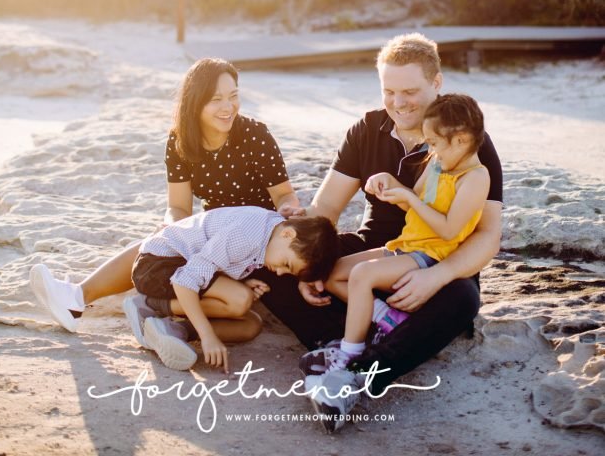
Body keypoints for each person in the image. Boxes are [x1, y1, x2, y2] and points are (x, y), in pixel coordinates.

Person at [256, 33, 503, 399]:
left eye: (409, 92)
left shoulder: (466, 144)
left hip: (437, 258)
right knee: (270, 265)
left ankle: (364, 372)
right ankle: (341, 343)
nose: (398, 103)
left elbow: (488, 235)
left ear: (436, 83)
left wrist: (437, 277)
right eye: (389, 91)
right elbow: (325, 210)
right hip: (379, 247)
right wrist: (306, 257)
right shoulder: (366, 130)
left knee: (462, 300)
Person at [30, 58, 301, 345]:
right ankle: (76, 299)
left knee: (245, 314)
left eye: (234, 96)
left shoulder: (255, 135)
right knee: (161, 240)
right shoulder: (180, 140)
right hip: (212, 235)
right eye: (217, 99)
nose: (228, 107)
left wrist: (288, 207)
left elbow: (283, 193)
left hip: (256, 245)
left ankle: (160, 314)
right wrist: (172, 225)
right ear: (195, 102)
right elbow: (179, 206)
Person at [302, 93, 490, 373]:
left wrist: (411, 200)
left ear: (461, 139)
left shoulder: (475, 177)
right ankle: (387, 318)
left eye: (436, 143)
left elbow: (450, 231)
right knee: (329, 272)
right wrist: (388, 182)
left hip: (433, 254)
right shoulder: (437, 163)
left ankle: (348, 353)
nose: (432, 150)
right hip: (406, 245)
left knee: (362, 275)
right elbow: (412, 197)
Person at [123, 206, 339, 372]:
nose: (281, 273)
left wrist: (236, 282)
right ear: (288, 235)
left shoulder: (269, 232)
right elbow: (185, 280)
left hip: (185, 265)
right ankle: (150, 305)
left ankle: (173, 329)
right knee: (239, 299)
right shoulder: (247, 234)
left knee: (250, 325)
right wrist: (207, 336)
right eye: (286, 264)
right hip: (157, 264)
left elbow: (213, 260)